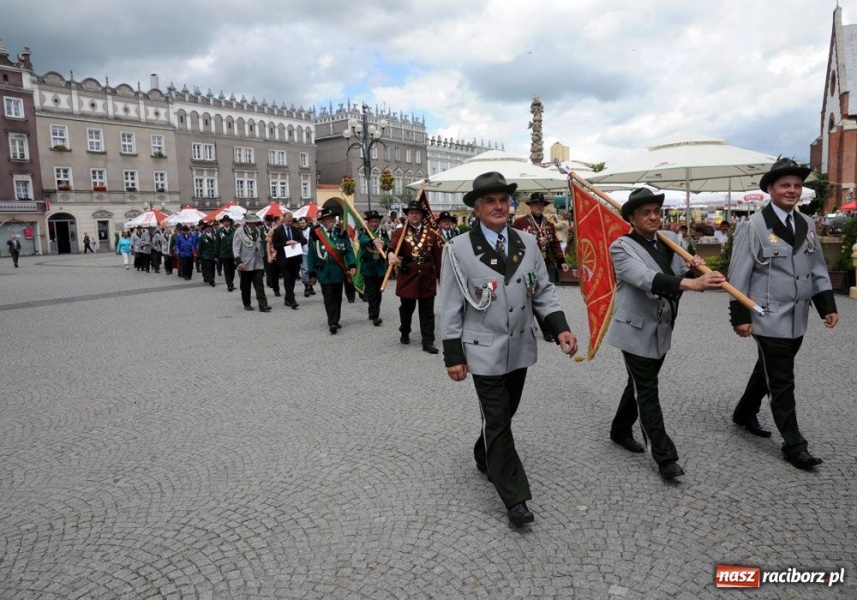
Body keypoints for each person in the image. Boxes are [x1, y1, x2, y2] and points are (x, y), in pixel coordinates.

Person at [440, 171, 579, 527]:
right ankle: (515, 497)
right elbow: (452, 307)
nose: (499, 206)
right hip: (482, 349)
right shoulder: (457, 250)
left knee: (505, 414)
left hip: (519, 347)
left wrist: (560, 328)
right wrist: (453, 356)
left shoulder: (527, 243)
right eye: (490, 201)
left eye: (504, 200)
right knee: (499, 419)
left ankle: (483, 453)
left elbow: (543, 291)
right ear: (476, 208)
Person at [606, 188, 725, 480]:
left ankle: (619, 429)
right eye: (645, 212)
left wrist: (694, 270)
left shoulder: (672, 241)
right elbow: (645, 279)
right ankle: (665, 457)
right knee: (647, 391)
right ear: (631, 218)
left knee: (640, 382)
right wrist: (691, 284)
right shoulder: (621, 247)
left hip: (662, 327)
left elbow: (679, 274)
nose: (653, 217)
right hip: (635, 328)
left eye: (656, 212)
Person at [728, 158, 838, 470]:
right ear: (770, 190)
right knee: (782, 380)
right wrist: (741, 317)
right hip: (768, 316)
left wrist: (826, 307)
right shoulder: (753, 227)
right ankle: (794, 445)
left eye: (796, 185)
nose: (792, 190)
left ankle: (743, 412)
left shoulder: (807, 225)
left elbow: (817, 269)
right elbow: (738, 277)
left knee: (768, 370)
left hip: (797, 317)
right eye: (785, 185)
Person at [387, 201, 444, 354]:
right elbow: (392, 247)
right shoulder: (401, 232)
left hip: (427, 277)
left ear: (421, 215)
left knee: (427, 311)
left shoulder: (431, 234)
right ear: (408, 215)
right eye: (412, 212)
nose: (414, 215)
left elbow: (437, 258)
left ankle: (428, 341)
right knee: (406, 309)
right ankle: (404, 330)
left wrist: (441, 278)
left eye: (417, 213)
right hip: (409, 275)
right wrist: (391, 254)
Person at [512, 192, 569, 342]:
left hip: (543, 266)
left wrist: (561, 261)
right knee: (530, 296)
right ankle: (541, 329)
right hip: (525, 265)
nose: (538, 206)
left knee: (541, 295)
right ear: (530, 206)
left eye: (540, 204)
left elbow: (555, 244)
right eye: (535, 204)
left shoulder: (549, 224)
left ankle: (547, 329)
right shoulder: (520, 223)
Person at [307, 208, 356, 333]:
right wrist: (311, 272)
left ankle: (336, 319)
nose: (332, 220)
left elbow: (348, 250)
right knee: (328, 296)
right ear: (322, 221)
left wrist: (352, 265)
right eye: (328, 218)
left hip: (338, 271)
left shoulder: (341, 233)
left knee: (337, 296)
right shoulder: (315, 233)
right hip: (323, 271)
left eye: (333, 218)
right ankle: (332, 322)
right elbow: (311, 254)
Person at [232, 214, 272, 312]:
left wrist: (264, 258)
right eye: (252, 222)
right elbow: (236, 248)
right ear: (247, 222)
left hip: (257, 263)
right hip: (245, 263)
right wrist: (238, 261)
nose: (254, 224)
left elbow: (260, 245)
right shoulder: (239, 231)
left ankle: (263, 305)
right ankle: (247, 303)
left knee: (259, 285)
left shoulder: (258, 231)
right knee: (245, 286)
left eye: (255, 222)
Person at [268, 210, 307, 309]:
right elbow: (275, 245)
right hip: (283, 259)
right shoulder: (277, 231)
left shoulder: (296, 229)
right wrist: (286, 243)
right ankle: (292, 299)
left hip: (295, 258)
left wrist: (296, 242)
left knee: (293, 278)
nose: (289, 223)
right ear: (283, 220)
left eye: (291, 221)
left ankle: (287, 298)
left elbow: (304, 240)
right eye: (287, 221)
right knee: (287, 278)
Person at [358, 210, 389, 326]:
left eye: (377, 221)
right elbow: (362, 241)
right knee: (371, 292)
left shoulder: (383, 231)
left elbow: (388, 242)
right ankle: (375, 315)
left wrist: (383, 244)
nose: (375, 224)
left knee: (379, 291)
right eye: (372, 221)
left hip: (380, 266)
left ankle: (373, 311)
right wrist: (372, 241)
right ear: (369, 222)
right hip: (368, 266)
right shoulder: (364, 231)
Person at [216, 216, 236, 291]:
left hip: (233, 253)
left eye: (228, 221)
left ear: (230, 222)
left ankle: (231, 282)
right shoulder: (219, 231)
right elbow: (217, 243)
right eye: (224, 221)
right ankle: (229, 284)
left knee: (232, 270)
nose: (226, 222)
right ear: (223, 223)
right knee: (226, 269)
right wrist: (216, 254)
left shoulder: (234, 230)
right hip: (224, 254)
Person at [297, 216, 315, 297]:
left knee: (311, 269)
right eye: (300, 223)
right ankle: (306, 287)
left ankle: (311, 286)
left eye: (303, 223)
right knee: (304, 270)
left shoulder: (311, 229)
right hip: (302, 253)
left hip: (311, 252)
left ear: (307, 223)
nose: (302, 225)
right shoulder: (297, 231)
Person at [197, 222, 218, 287]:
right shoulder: (202, 237)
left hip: (213, 255)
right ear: (205, 229)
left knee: (213, 268)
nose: (209, 228)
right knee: (208, 268)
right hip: (205, 256)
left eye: (210, 227)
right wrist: (199, 257)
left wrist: (217, 255)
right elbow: (200, 248)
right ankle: (211, 281)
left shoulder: (214, 235)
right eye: (207, 228)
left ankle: (212, 279)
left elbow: (217, 245)